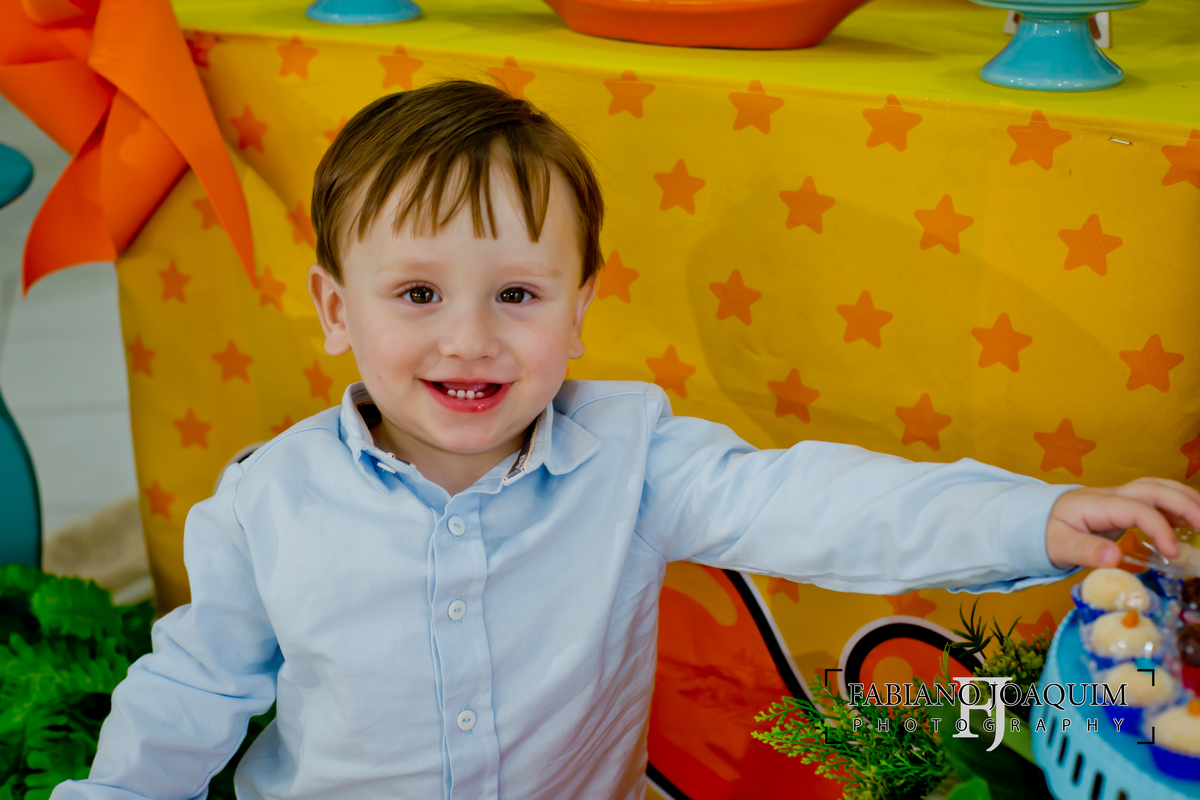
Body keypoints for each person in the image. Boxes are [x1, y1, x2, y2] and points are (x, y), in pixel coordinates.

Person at [52, 79, 1199, 800]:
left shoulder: (633, 458)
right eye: (417, 294)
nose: (469, 338)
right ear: (334, 307)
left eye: (517, 294)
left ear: (580, 308)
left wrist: (1034, 516)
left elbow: (823, 501)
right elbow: (194, 685)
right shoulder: (268, 501)